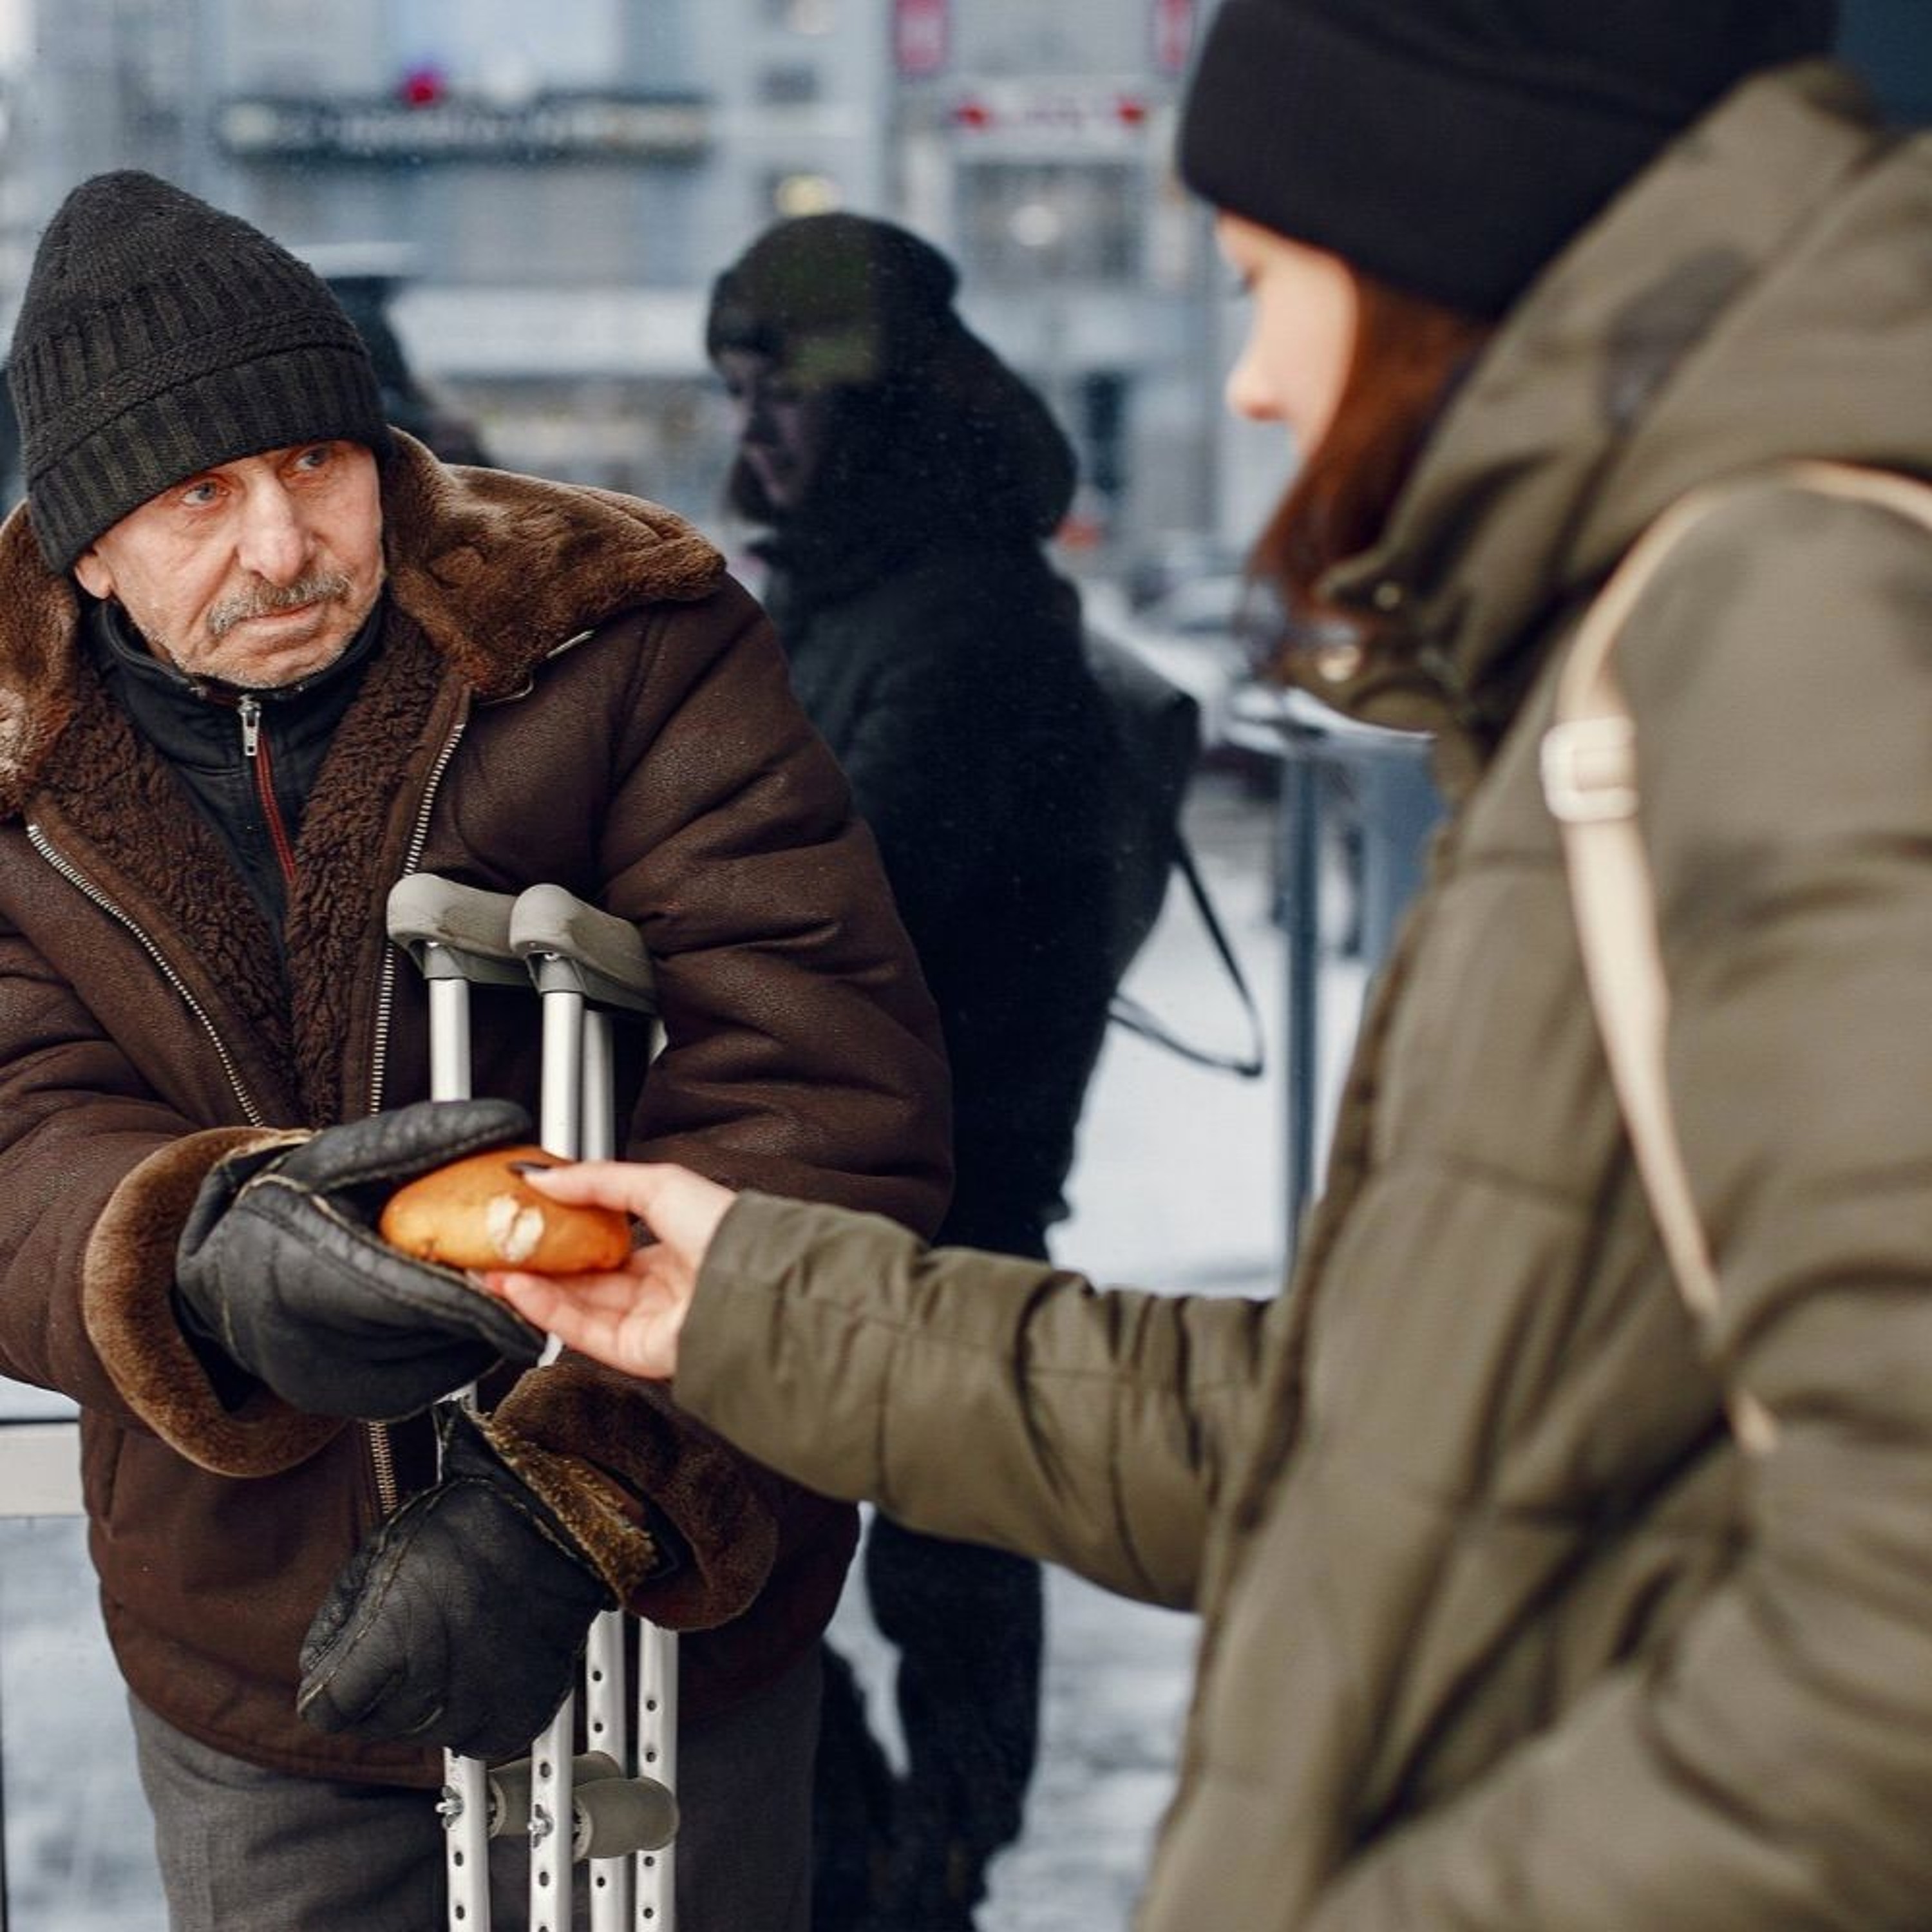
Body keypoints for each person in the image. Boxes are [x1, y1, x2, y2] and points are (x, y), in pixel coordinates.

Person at [489, 2, 1932, 1924]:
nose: (1250, 384)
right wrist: (743, 1303)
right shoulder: (1658, 646)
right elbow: (1377, 1434)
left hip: (978, 1162)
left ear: (1444, 238)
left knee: (941, 1623)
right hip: (913, 1251)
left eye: (1263, 282)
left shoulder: (1777, 635)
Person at [0, 170, 951, 1932]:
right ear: (87, 547)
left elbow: (821, 1085)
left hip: (665, 1613)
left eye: (316, 462)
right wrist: (196, 1254)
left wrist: (591, 1489)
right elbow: (12, 1131)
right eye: (199, 494)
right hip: (257, 1649)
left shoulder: (621, 636)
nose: (281, 545)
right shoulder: (15, 763)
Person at [704, 212, 1120, 1931]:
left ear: (873, 403)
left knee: (942, 1531)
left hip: (952, 1149)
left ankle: (927, 1864)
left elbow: (838, 897)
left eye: (783, 392)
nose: (754, 431)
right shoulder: (854, 583)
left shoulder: (960, 613)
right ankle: (893, 1852)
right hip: (876, 1138)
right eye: (736, 392)